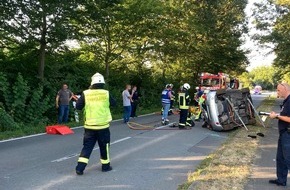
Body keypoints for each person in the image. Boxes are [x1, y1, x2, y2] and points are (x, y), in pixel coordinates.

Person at [75, 72, 116, 175]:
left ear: (92, 83)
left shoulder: (86, 93)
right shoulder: (106, 93)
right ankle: (105, 167)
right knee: (104, 146)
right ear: (103, 83)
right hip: (103, 126)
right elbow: (114, 104)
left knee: (87, 147)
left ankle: (80, 168)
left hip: (89, 126)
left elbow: (78, 107)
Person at [268, 83, 290, 187]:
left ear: (285, 89)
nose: (278, 92)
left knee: (288, 159)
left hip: (288, 134)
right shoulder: (286, 101)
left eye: (279, 90)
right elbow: (284, 115)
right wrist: (277, 115)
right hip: (283, 133)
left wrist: (276, 116)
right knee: (280, 158)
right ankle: (281, 180)